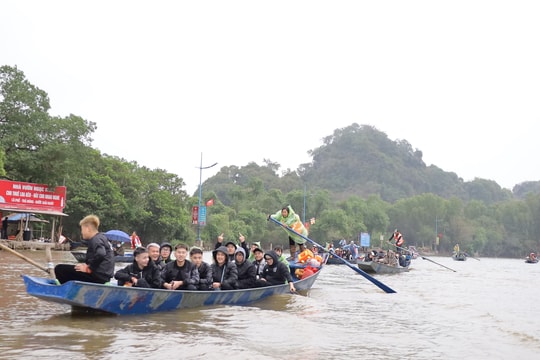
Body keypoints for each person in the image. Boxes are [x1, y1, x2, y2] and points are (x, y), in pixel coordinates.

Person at [54, 215, 114, 284]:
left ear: (87, 229)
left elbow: (101, 254)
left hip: (98, 277)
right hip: (104, 276)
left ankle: (65, 289)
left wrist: (89, 268)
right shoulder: (103, 238)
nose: (81, 232)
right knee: (77, 267)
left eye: (82, 229)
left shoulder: (96, 239)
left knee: (60, 269)